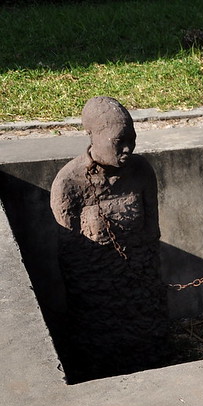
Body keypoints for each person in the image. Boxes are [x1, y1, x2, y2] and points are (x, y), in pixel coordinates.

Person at [50, 96, 166, 381]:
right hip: (97, 299)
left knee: (149, 348)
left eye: (132, 140)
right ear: (93, 136)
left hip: (140, 289)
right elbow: (69, 256)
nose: (127, 149)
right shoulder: (69, 184)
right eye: (118, 141)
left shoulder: (142, 172)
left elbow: (152, 232)